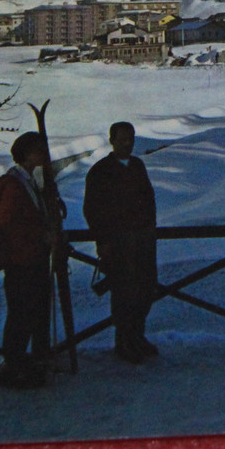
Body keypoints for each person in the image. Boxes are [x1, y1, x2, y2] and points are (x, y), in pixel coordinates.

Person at [84, 121, 159, 363]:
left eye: (131, 138)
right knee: (124, 292)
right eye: (123, 138)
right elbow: (93, 210)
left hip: (143, 239)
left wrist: (149, 229)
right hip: (119, 241)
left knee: (146, 288)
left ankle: (137, 335)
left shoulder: (137, 166)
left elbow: (148, 199)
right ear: (112, 140)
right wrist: (103, 240)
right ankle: (124, 340)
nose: (127, 143)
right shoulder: (100, 171)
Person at [0, 131, 56, 388]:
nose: (42, 154)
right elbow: (10, 222)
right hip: (22, 261)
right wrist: (40, 236)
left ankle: (22, 364)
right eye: (37, 150)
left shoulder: (28, 180)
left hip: (31, 258)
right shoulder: (15, 184)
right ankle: (14, 367)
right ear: (27, 153)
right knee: (21, 314)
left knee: (30, 312)